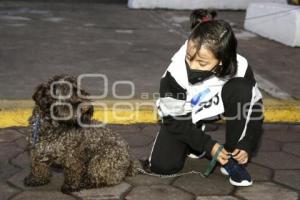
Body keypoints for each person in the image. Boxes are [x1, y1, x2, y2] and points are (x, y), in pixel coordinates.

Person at [145, 10, 264, 187]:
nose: (191, 66)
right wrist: (208, 145)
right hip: (183, 116)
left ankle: (231, 158)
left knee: (241, 89)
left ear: (221, 61)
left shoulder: (241, 67)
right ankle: (195, 138)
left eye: (201, 63)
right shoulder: (175, 73)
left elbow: (255, 107)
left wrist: (247, 144)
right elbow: (172, 119)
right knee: (162, 166)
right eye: (188, 57)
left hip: (218, 107)